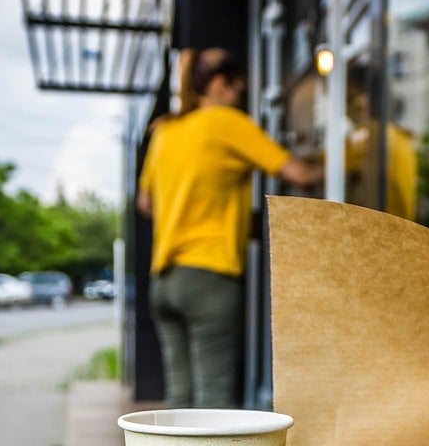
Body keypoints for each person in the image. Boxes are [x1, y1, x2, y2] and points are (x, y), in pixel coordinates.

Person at [136, 47, 322, 408]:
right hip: (208, 278)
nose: (239, 99)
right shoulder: (226, 121)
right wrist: (344, 166)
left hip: (163, 281)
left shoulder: (165, 130)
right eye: (239, 90)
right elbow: (298, 175)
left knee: (180, 400)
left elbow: (146, 204)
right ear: (221, 84)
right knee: (212, 404)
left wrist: (192, 208)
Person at [344, 64, 418, 221]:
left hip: (380, 234)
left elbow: (310, 173)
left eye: (346, 98)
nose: (345, 111)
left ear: (362, 102)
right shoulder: (397, 135)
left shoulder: (367, 135)